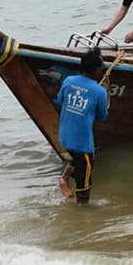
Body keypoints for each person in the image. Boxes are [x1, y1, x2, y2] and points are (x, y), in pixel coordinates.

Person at [55, 49, 109, 205]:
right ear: (97, 69)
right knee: (84, 184)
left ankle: (63, 179)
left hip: (64, 136)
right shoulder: (100, 91)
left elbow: (60, 99)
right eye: (102, 66)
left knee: (75, 160)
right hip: (82, 143)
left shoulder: (68, 80)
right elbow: (102, 117)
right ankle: (82, 213)